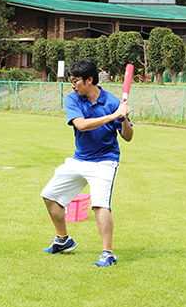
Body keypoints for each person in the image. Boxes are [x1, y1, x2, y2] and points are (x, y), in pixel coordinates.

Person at [40, 59, 133, 267]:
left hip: (105, 161)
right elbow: (81, 125)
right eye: (71, 81)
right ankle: (63, 240)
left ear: (89, 80)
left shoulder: (112, 102)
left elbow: (128, 137)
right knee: (49, 195)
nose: (73, 85)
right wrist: (112, 116)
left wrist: (123, 118)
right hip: (79, 159)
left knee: (100, 206)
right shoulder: (73, 99)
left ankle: (108, 253)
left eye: (76, 81)